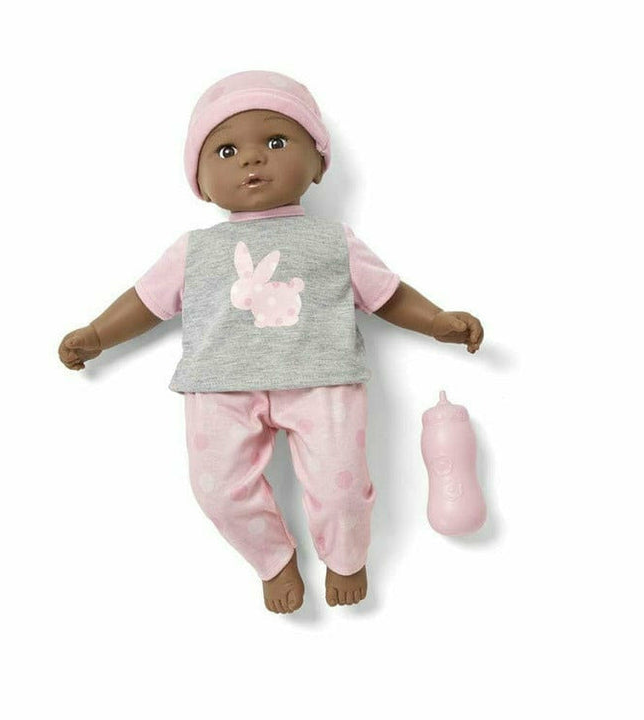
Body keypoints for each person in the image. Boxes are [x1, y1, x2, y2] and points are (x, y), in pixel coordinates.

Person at [58, 70, 483, 614]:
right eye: (226, 150)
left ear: (318, 164)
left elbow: (387, 294)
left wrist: (437, 320)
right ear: (201, 182)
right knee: (217, 489)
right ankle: (272, 558)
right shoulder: (193, 250)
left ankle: (347, 556)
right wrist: (98, 333)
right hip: (220, 386)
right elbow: (145, 301)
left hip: (322, 379)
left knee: (342, 488)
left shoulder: (334, 240)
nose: (252, 159)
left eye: (277, 141)